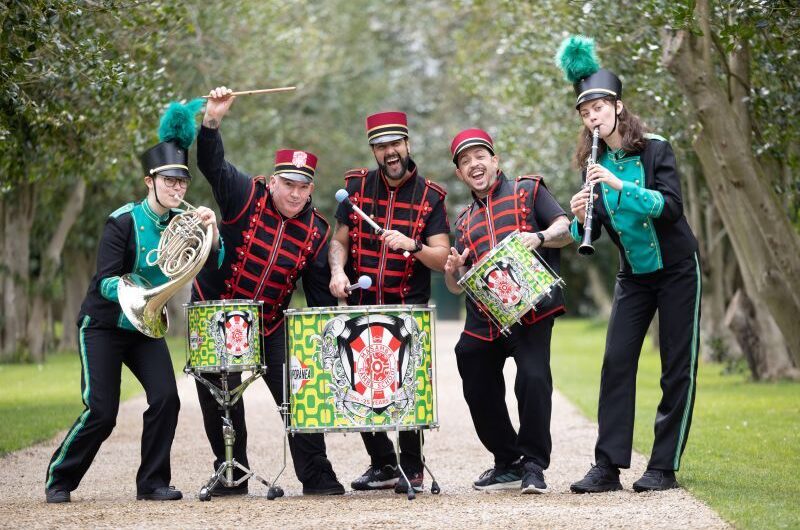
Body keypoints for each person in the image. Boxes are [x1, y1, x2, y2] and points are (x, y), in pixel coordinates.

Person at [44, 101, 223, 503]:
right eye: (169, 182)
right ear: (149, 181)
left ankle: (152, 482)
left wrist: (213, 232)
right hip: (105, 325)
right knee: (102, 412)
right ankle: (60, 477)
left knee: (166, 398)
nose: (177, 189)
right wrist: (134, 295)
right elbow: (105, 280)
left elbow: (216, 258)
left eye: (183, 183)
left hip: (146, 326)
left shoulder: (191, 219)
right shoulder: (121, 220)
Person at [556, 35, 702, 493]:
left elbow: (672, 208)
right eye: (585, 112)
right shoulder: (591, 164)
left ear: (617, 107)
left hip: (678, 269)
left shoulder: (657, 149)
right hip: (633, 277)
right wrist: (583, 213)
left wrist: (619, 185)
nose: (592, 117)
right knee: (616, 362)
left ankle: (663, 466)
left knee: (677, 367)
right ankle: (608, 466)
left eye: (598, 107)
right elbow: (596, 234)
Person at [191, 86, 344, 496]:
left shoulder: (317, 231)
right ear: (274, 180)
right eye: (288, 184)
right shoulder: (244, 193)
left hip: (270, 322)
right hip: (216, 313)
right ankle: (231, 473)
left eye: (303, 187)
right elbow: (212, 162)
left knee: (298, 390)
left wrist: (329, 323)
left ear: (311, 189)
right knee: (219, 396)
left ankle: (317, 474)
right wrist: (212, 121)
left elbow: (319, 300)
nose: (295, 193)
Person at [443, 128, 572, 494]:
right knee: (468, 358)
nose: (474, 164)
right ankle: (506, 461)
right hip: (485, 319)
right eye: (465, 161)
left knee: (532, 377)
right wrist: (455, 271)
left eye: (479, 156)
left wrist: (540, 237)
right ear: (460, 173)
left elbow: (566, 228)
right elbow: (459, 284)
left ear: (495, 160)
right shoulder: (464, 221)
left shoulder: (528, 190)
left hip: (531, 313)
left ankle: (533, 464)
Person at [328, 111, 450, 494]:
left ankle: (411, 466)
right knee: (356, 380)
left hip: (407, 305)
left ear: (407, 144)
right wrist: (337, 272)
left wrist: (412, 245)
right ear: (374, 151)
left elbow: (442, 256)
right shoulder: (356, 188)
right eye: (381, 146)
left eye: (395, 144)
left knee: (406, 382)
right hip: (363, 302)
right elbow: (339, 241)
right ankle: (382, 463)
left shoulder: (432, 197)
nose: (389, 152)